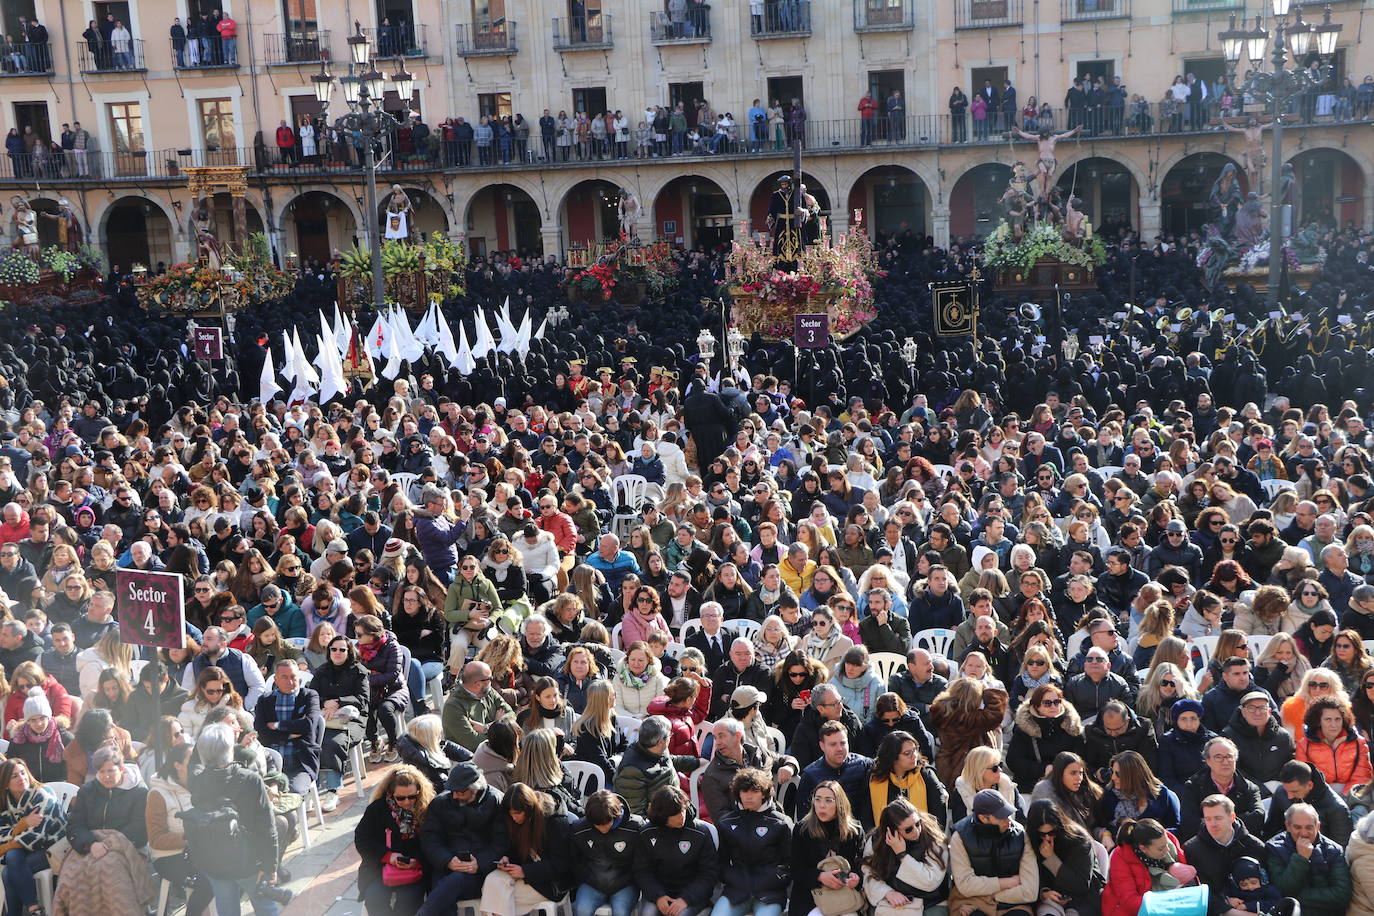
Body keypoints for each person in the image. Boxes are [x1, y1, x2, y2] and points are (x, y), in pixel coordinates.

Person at [186, 724, 286, 916]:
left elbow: (194, 761)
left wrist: (207, 738)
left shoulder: (197, 780)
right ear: (230, 750)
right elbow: (267, 826)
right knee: (266, 909)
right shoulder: (250, 780)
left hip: (214, 863)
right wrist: (270, 865)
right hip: (249, 861)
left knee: (227, 911)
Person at [56, 745, 155, 913]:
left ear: (121, 769)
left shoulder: (138, 791)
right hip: (90, 845)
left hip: (126, 846)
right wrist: (91, 844)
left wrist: (109, 845)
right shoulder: (87, 791)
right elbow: (75, 825)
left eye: (110, 770)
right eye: (101, 772)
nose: (106, 776)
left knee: (110, 873)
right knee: (71, 877)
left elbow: (139, 828)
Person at [479, 783, 573, 916]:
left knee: (500, 897)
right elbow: (515, 849)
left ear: (529, 808)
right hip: (525, 872)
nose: (514, 817)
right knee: (491, 881)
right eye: (510, 813)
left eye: (517, 813)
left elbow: (560, 865)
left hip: (551, 883)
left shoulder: (555, 823)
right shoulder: (514, 820)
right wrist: (507, 858)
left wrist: (525, 871)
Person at [713, 767, 792, 916]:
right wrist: (735, 880)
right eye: (744, 792)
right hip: (735, 893)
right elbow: (720, 862)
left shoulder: (781, 823)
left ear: (763, 794)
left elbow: (789, 864)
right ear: (738, 794)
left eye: (754, 791)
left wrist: (771, 880)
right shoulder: (726, 823)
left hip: (770, 894)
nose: (749, 796)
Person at [949, 788, 1039, 916]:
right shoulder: (960, 837)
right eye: (1001, 817)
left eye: (1008, 814)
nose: (1008, 821)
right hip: (973, 906)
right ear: (983, 818)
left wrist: (988, 898)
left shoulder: (1020, 835)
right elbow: (965, 884)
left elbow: (1030, 891)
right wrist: (1006, 883)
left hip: (1011, 903)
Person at [634, 784, 718, 916]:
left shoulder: (701, 832)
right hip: (658, 894)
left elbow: (708, 874)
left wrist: (686, 899)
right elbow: (642, 870)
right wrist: (658, 896)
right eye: (675, 814)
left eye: (683, 810)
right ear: (662, 815)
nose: (681, 817)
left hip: (691, 896)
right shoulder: (647, 833)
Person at [0, 757, 68, 916]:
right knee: (12, 857)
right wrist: (21, 825)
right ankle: (34, 909)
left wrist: (5, 846)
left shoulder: (42, 795)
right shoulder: (4, 802)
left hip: (54, 846)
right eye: (14, 776)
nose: (21, 778)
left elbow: (35, 837)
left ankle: (30, 909)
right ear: (5, 783)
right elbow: (1, 833)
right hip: (28, 850)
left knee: (8, 871)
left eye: (23, 773)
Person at [861, 797, 948, 916]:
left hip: (930, 901)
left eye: (918, 823)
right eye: (908, 829)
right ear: (892, 830)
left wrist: (902, 855)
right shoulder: (876, 841)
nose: (916, 831)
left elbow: (931, 881)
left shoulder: (933, 838)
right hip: (891, 902)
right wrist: (887, 892)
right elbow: (869, 874)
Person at [788, 780, 864, 916]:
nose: (821, 805)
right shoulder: (802, 829)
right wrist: (819, 876)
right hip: (810, 895)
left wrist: (856, 878)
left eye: (829, 801)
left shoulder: (854, 830)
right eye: (817, 799)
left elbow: (861, 866)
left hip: (844, 894)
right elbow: (795, 870)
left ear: (839, 804)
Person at [1266, 803, 1353, 916]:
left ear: (1318, 826)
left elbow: (1342, 896)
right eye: (1297, 827)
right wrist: (1301, 858)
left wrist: (1295, 896)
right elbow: (1281, 890)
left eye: (1309, 827)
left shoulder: (1333, 850)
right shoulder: (1274, 848)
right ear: (1288, 826)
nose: (1304, 833)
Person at [253, 658, 322, 797]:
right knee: (255, 794)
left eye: (293, 677)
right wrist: (289, 735)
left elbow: (309, 725)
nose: (290, 682)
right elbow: (262, 731)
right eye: (284, 677)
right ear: (276, 680)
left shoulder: (309, 696)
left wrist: (278, 725)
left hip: (300, 762)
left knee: (293, 794)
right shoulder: (265, 700)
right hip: (269, 763)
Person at [1025, 798, 1105, 916]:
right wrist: (1043, 893)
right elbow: (1030, 876)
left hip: (1083, 898)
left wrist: (1051, 859)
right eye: (1042, 834)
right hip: (1050, 897)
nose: (1047, 838)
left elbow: (1081, 885)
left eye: (1051, 832)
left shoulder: (1078, 839)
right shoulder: (1029, 840)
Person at [615, 715, 706, 815]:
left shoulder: (656, 749)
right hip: (658, 820)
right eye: (670, 735)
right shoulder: (631, 771)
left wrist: (696, 762)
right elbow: (635, 812)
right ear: (661, 742)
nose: (671, 738)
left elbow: (669, 761)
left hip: (673, 807)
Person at [1101, 818, 1190, 916]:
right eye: (1161, 849)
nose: (1167, 850)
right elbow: (1130, 902)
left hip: (1169, 902)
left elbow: (1187, 870)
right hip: (1133, 910)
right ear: (1143, 848)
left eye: (1167, 844)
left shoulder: (1166, 838)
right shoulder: (1121, 857)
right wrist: (1168, 898)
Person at [1264, 760, 1353, 847]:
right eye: (1286, 790)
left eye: (1294, 791)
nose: (1289, 796)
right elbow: (1270, 832)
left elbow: (1340, 853)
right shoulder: (1281, 792)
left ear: (1310, 785)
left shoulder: (1337, 809)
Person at [443, 660, 515, 752]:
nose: (492, 681)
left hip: (494, 748)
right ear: (478, 684)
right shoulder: (453, 707)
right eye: (490, 678)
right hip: (469, 760)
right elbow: (474, 743)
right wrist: (499, 726)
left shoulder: (487, 691)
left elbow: (511, 714)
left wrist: (487, 728)